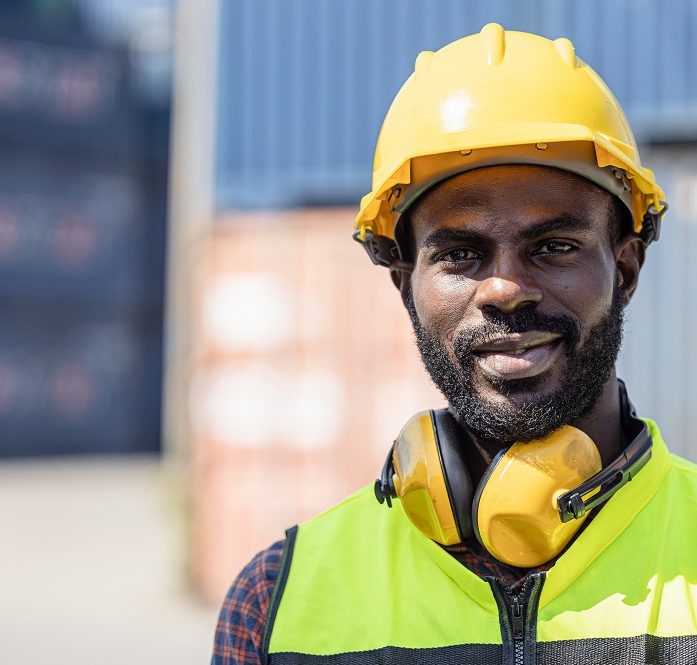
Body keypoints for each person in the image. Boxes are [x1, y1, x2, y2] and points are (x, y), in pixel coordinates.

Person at [212, 24, 697, 665]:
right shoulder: (275, 602)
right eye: (461, 254)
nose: (504, 289)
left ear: (626, 271)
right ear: (404, 286)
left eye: (553, 246)